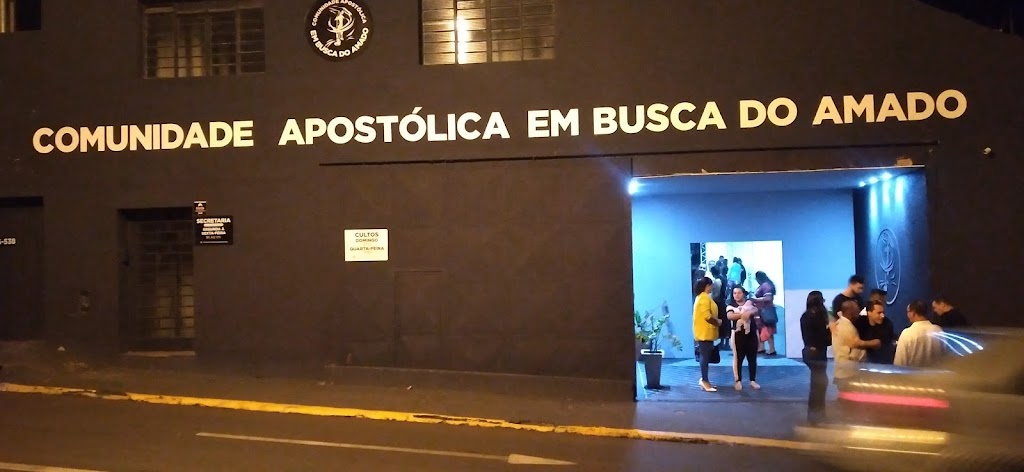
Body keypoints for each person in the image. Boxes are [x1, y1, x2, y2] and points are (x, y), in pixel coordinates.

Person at [831, 299, 880, 386]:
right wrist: (874, 343)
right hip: (847, 373)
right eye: (857, 311)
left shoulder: (840, 323)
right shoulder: (846, 327)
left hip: (847, 371)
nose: (859, 314)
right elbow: (855, 343)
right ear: (851, 312)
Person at [800, 291, 831, 425]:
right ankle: (817, 415)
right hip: (818, 353)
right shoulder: (818, 316)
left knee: (817, 384)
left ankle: (814, 415)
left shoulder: (805, 316)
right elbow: (824, 338)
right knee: (819, 385)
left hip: (809, 352)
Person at [726, 286, 760, 391]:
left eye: (739, 293)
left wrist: (749, 312)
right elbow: (730, 316)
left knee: (752, 358)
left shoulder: (750, 303)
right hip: (738, 334)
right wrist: (742, 314)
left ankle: (752, 380)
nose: (737, 295)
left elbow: (756, 310)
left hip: (752, 333)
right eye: (734, 293)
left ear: (743, 293)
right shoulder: (731, 306)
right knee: (738, 358)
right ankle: (738, 380)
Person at [692, 276, 722, 392]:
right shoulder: (704, 298)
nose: (712, 287)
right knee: (704, 357)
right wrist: (718, 322)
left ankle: (705, 380)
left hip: (705, 332)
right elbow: (707, 316)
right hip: (704, 332)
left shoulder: (702, 297)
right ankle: (704, 381)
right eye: (711, 285)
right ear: (707, 286)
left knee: (705, 356)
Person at [895, 300, 946, 367]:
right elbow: (945, 357)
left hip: (912, 373)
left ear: (913, 313)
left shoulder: (907, 333)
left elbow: (899, 363)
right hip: (935, 373)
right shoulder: (938, 330)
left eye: (908, 312)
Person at [855, 298, 896, 364]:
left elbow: (877, 343)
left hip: (882, 360)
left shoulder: (887, 324)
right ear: (869, 313)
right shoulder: (860, 322)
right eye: (879, 313)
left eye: (883, 312)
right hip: (861, 360)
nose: (882, 316)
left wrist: (859, 343)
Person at [750, 271, 778, 356]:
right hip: (762, 310)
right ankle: (762, 347)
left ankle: (771, 349)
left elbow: (768, 298)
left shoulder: (766, 286)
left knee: (767, 329)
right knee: (762, 328)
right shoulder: (766, 285)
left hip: (765, 310)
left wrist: (755, 300)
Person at [709, 266, 730, 349]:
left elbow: (716, 294)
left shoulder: (717, 280)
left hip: (719, 303)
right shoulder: (724, 279)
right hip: (724, 302)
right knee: (725, 322)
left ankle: (722, 342)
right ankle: (725, 342)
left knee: (721, 322)